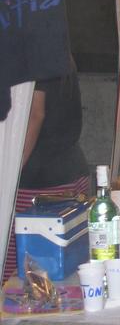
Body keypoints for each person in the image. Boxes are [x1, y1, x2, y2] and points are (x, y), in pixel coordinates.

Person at [2, 57, 90, 284]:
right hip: (68, 170)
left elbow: (35, 113)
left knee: (19, 277)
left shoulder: (32, 50)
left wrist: (10, 172)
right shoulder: (57, 49)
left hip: (38, 183)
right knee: (59, 275)